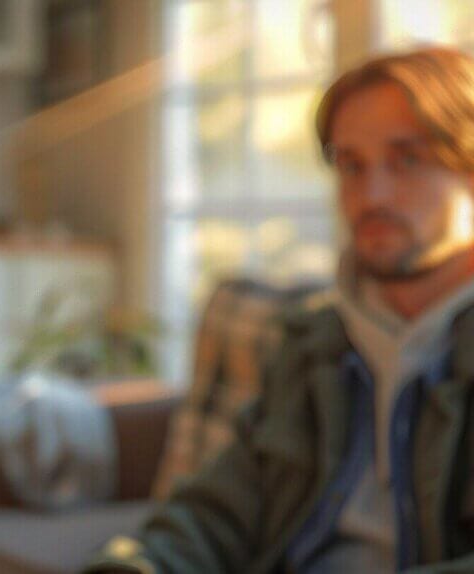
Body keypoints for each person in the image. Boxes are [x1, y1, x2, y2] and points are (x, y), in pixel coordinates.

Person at [86, 47, 474, 573]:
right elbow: (212, 515)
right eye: (350, 165)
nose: (371, 193)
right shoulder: (313, 342)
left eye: (407, 159)